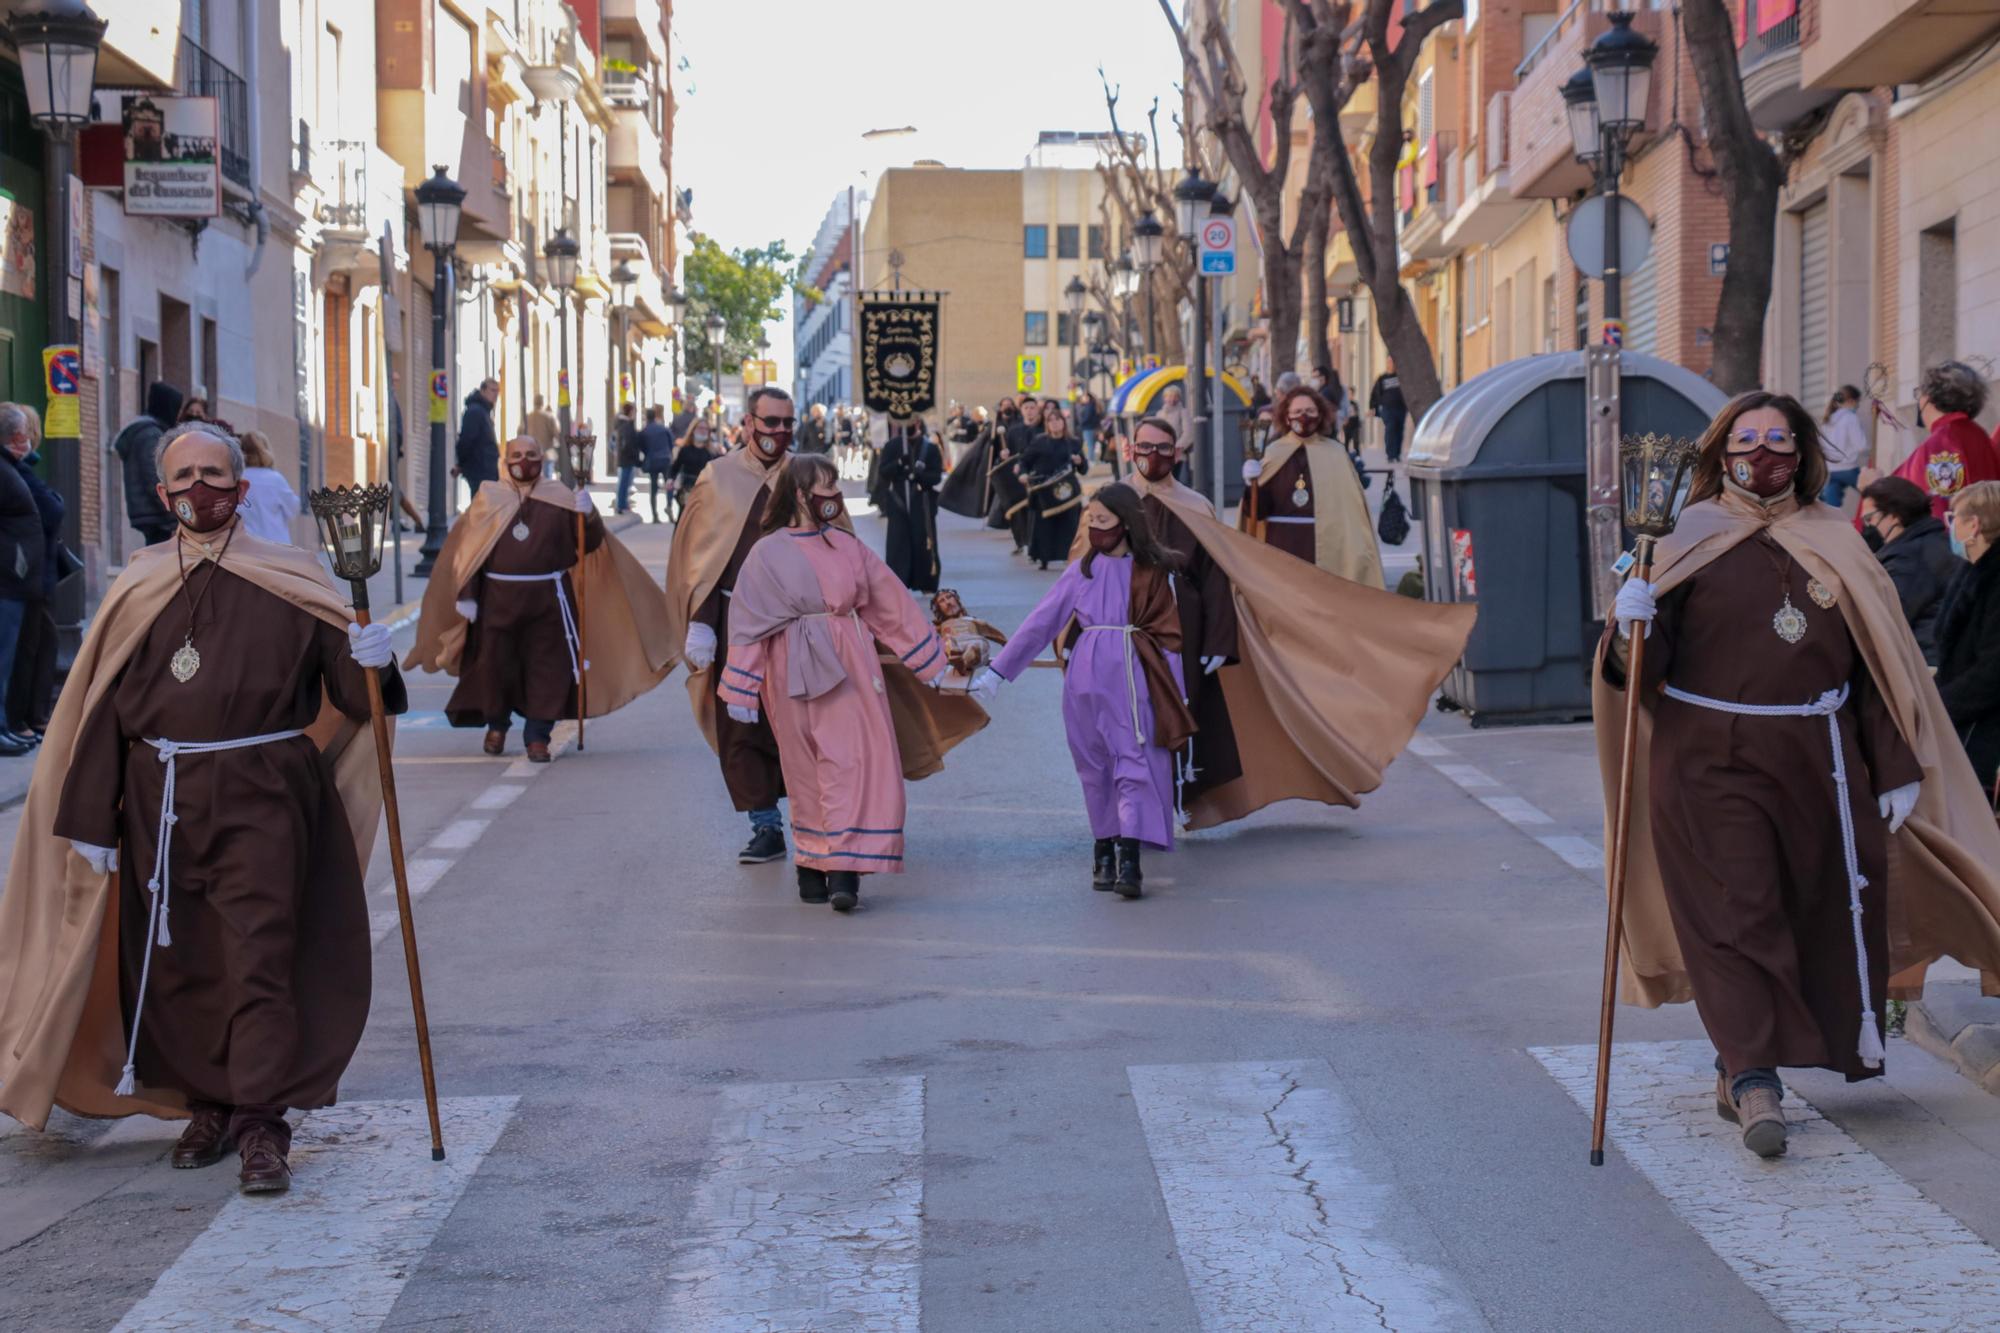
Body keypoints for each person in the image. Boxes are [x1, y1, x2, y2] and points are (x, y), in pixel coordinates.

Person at [0, 420, 406, 1194]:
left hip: (267, 795)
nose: (199, 491)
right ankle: (208, 1103)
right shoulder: (139, 585)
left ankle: (261, 1122)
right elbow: (102, 710)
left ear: (241, 488)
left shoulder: (292, 577)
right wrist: (93, 823)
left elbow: (355, 702)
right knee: (179, 963)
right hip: (161, 802)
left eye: (214, 476)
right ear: (161, 493)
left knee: (259, 955)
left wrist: (370, 659)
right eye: (183, 478)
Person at [1601, 390, 2000, 1159]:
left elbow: (1878, 667)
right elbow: (1635, 675)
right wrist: (1632, 624)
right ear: (1721, 454)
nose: (1763, 454)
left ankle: (1734, 1058)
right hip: (1707, 759)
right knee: (1738, 907)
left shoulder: (1836, 540)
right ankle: (1755, 1078)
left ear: (1805, 452)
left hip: (1820, 761)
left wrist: (1894, 764)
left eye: (1779, 439)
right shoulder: (1683, 536)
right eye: (1747, 440)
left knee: (1797, 910)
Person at [1079, 414, 1475, 834]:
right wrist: (1077, 635)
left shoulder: (1194, 505)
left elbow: (1216, 576)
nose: (1152, 457)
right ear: (1130, 449)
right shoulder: (1111, 503)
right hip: (1123, 632)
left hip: (1183, 632)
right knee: (1127, 720)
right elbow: (1081, 571)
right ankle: (1131, 810)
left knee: (1174, 718)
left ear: (1177, 453)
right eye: (1145, 447)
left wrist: (1218, 640)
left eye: (1162, 448)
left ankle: (1163, 803)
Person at [721, 454, 969, 911]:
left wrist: (936, 665)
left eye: (834, 486)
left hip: (849, 665)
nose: (834, 495)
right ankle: (812, 866)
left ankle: (845, 870)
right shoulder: (766, 552)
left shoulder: (846, 546)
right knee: (804, 767)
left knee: (853, 762)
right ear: (800, 494)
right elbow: (750, 619)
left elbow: (889, 605)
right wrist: (741, 684)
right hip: (789, 667)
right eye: (826, 486)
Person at [976, 485, 1195, 898]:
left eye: (1103, 522)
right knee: (1093, 767)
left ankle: (1129, 855)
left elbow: (1169, 637)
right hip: (1085, 681)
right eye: (1090, 522)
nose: (1095, 530)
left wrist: (1177, 693)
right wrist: (999, 672)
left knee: (1132, 761)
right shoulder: (1081, 571)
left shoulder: (1151, 574)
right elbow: (1041, 623)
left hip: (1133, 679)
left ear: (1126, 524)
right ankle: (1104, 848)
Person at [407, 435, 673, 763]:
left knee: (548, 669)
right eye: (517, 455)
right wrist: (468, 594)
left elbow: (585, 545)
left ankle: (538, 735)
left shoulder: (560, 496)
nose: (524, 461)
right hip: (497, 601)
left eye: (531, 454)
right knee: (494, 667)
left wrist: (588, 515)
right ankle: (497, 726)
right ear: (506, 461)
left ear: (541, 459)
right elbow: (470, 552)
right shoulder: (489, 499)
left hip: (549, 600)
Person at [666, 388, 801, 862]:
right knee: (740, 724)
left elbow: (837, 547)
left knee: (801, 722)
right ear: (748, 423)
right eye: (770, 422)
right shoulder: (717, 477)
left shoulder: (805, 476)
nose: (779, 432)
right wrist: (701, 622)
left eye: (788, 423)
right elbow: (701, 558)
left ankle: (815, 820)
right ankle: (765, 825)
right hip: (734, 623)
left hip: (797, 627)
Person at [1240, 383, 1384, 586]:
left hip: (1327, 549)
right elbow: (1258, 511)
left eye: (1309, 411)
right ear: (1286, 416)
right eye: (1297, 411)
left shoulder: (1335, 453)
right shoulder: (1273, 453)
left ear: (1320, 414)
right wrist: (1251, 483)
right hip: (1282, 548)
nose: (1304, 417)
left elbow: (1351, 512)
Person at [1937, 480, 2000, 788]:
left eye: (1953, 518)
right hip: (1965, 717)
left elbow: (1993, 669)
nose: (1950, 526)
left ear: (1973, 525)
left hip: (1984, 729)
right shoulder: (1971, 570)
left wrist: (1940, 705)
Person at [0, 404, 53, 752]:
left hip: (17, 579)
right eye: (20, 439)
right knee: (4, 657)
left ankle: (4, 723)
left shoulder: (12, 468)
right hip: (9, 578)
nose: (26, 446)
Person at [1861, 475, 1957, 665]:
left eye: (1869, 518)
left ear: (1894, 516)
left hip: (1924, 664)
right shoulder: (1938, 541)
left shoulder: (1907, 559)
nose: (1868, 527)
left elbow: (1886, 620)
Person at [1890, 361, 2000, 518]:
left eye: (1919, 393)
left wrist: (1872, 487)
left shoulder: (1944, 442)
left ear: (1928, 398)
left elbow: (1938, 506)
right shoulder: (1978, 435)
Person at [113, 381, 185, 547]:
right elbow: (154, 477)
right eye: (177, 408)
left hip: (150, 512)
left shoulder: (146, 432)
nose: (179, 415)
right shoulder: (150, 436)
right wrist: (172, 512)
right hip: (156, 514)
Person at [876, 417, 943, 592]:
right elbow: (883, 472)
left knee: (923, 542)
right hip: (898, 502)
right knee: (899, 543)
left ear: (918, 423)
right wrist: (899, 464)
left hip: (922, 503)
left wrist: (918, 476)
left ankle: (926, 582)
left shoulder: (931, 448)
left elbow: (936, 476)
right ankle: (899, 582)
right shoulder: (892, 446)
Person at [1023, 402, 1089, 571]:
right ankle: (1044, 558)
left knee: (1070, 525)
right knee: (1045, 526)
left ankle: (1071, 555)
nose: (1055, 423)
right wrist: (1022, 474)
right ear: (1047, 424)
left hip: (1067, 492)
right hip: (1045, 491)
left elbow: (1083, 469)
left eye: (1058, 420)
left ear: (1063, 422)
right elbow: (1025, 461)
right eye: (1051, 420)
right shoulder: (1039, 442)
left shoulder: (1073, 442)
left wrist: (1080, 462)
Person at [235, 429, 299, 545]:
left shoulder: (236, 479)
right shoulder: (276, 479)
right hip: (275, 546)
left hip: (245, 545)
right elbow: (293, 509)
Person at [1821, 386, 1869, 508]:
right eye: (1858, 402)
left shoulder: (1827, 420)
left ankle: (1834, 526)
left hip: (1831, 470)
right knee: (1873, 495)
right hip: (1848, 468)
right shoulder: (1851, 418)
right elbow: (1861, 446)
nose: (1858, 406)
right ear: (1851, 401)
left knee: (1832, 508)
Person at [455, 378, 501, 495]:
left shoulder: (483, 411)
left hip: (485, 469)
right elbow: (466, 440)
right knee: (482, 505)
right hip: (480, 469)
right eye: (492, 390)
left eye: (497, 391)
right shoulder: (475, 411)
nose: (495, 394)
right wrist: (461, 463)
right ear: (483, 390)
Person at [637, 404, 678, 522]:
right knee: (668, 484)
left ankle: (655, 515)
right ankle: (669, 506)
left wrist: (647, 454)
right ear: (655, 416)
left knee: (653, 487)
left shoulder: (644, 431)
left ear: (646, 417)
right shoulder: (663, 429)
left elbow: (641, 446)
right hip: (665, 459)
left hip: (652, 460)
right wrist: (668, 452)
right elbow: (672, 442)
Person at [1370, 358, 1407, 463]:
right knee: (1390, 430)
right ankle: (1390, 455)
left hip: (1400, 408)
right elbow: (1375, 393)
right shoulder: (1382, 378)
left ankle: (1397, 454)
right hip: (1387, 409)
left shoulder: (1401, 377)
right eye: (1389, 362)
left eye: (1392, 362)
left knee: (1399, 431)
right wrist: (1373, 407)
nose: (1390, 364)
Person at [613, 401, 641, 515]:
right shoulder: (627, 425)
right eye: (634, 411)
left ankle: (622, 504)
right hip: (627, 458)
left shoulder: (622, 424)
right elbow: (628, 443)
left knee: (624, 482)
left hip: (625, 457)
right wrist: (634, 456)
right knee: (624, 482)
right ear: (630, 412)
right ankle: (621, 505)